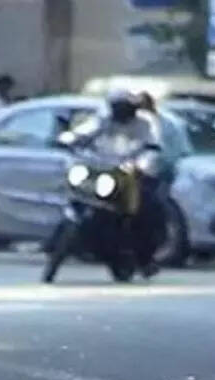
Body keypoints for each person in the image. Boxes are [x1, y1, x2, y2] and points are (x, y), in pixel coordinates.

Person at [65, 90, 166, 277]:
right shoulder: (104, 120)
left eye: (124, 108)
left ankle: (145, 257)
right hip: (104, 172)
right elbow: (85, 131)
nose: (121, 112)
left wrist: (141, 165)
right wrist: (69, 138)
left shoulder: (145, 123)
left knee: (147, 208)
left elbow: (153, 149)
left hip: (132, 175)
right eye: (117, 108)